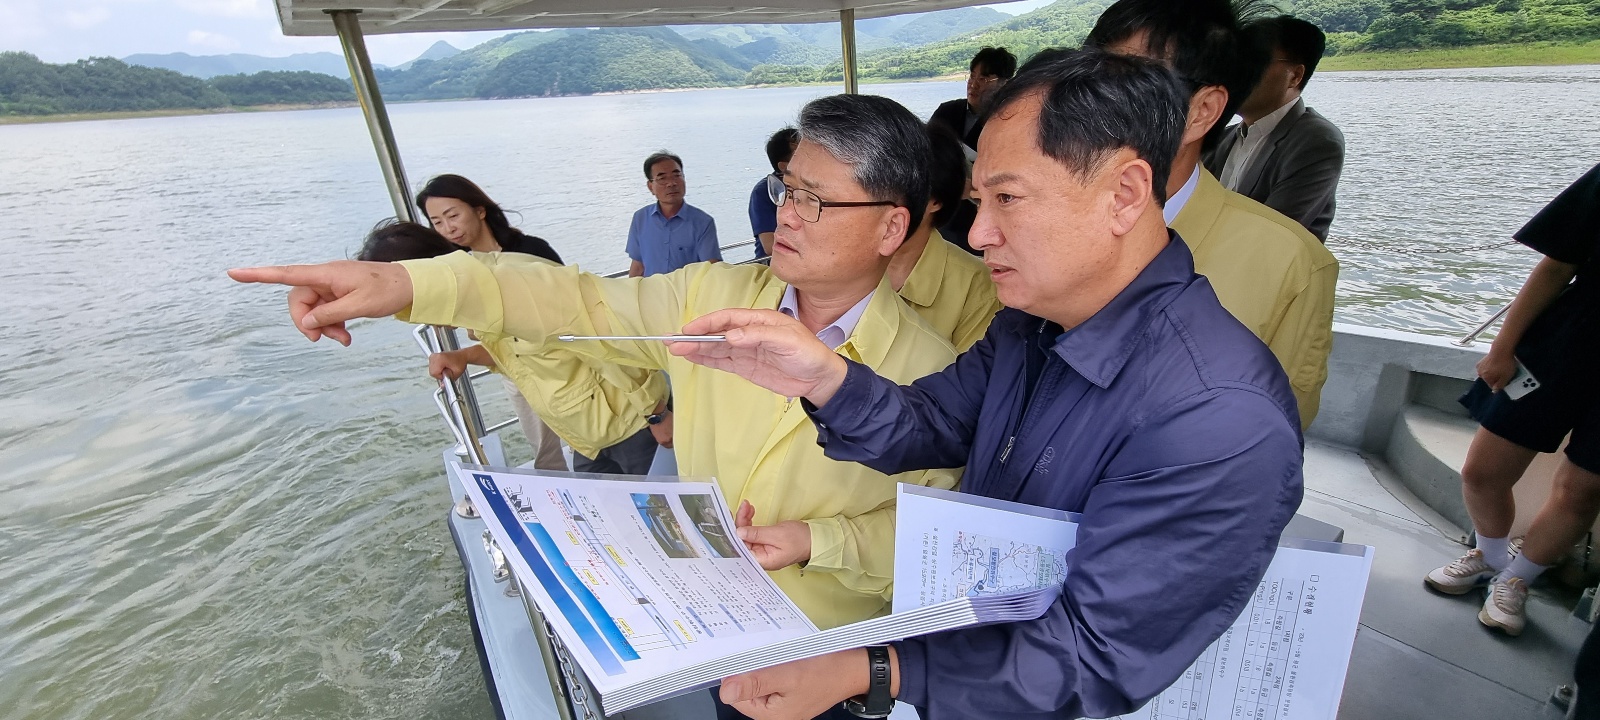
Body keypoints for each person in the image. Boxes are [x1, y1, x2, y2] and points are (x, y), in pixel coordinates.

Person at [664, 49, 1303, 720]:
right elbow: (934, 424)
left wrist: (871, 668)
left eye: (1007, 199)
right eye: (978, 200)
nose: (978, 233)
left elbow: (1091, 655)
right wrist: (826, 378)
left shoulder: (1217, 415)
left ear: (1124, 194)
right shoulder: (1032, 326)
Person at [229, 93, 971, 638]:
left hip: (827, 639)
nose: (785, 213)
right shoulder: (711, 295)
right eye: (785, 188)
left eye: (815, 201)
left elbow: (935, 529)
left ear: (891, 226)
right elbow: (580, 300)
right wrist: (410, 284)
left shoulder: (935, 373)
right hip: (706, 608)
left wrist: (818, 540)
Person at [1086, 0, 1339, 430]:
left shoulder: (1292, 266)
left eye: (1128, 81)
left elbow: (1271, 435)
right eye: (1085, 81)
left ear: (1202, 110)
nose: (1090, 105)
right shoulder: (1041, 220)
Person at [1424, 163, 1600, 638]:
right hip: (1568, 339)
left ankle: (1517, 580)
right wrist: (1503, 347)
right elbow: (1557, 265)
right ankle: (1490, 555)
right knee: (1483, 470)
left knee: (1583, 488)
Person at [356, 219, 668, 465]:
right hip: (588, 440)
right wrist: (464, 357)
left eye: (411, 306)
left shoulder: (514, 286)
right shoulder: (476, 295)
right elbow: (520, 354)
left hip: (633, 429)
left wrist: (657, 415)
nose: (418, 318)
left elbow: (606, 343)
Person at [414, 174, 570, 470]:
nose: (448, 228)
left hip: (562, 363)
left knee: (594, 440)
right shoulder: (457, 268)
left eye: (453, 216)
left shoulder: (530, 250)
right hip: (515, 370)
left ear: (480, 210)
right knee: (544, 451)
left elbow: (569, 301)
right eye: (437, 222)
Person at [1204, 15, 1345, 242]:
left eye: (1254, 62)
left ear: (1295, 76)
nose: (1237, 75)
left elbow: (1272, 233)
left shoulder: (1317, 141)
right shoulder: (1222, 137)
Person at [884, 124, 1001, 352]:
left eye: (891, 189)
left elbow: (969, 372)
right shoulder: (841, 260)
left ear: (935, 201)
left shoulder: (977, 288)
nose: (871, 202)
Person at [627, 151, 721, 278]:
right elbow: (638, 266)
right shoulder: (640, 218)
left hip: (689, 290)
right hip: (651, 290)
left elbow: (711, 269)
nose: (671, 183)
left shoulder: (703, 222)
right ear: (650, 187)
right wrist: (631, 289)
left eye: (677, 176)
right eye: (662, 178)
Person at [928, 46, 1017, 155]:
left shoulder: (1008, 121)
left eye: (983, 79)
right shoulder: (946, 111)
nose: (974, 85)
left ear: (1004, 83)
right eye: (972, 76)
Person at [750, 128, 800, 260]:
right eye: (799, 156)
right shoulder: (763, 192)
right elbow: (769, 245)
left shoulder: (813, 187)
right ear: (783, 166)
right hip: (774, 263)